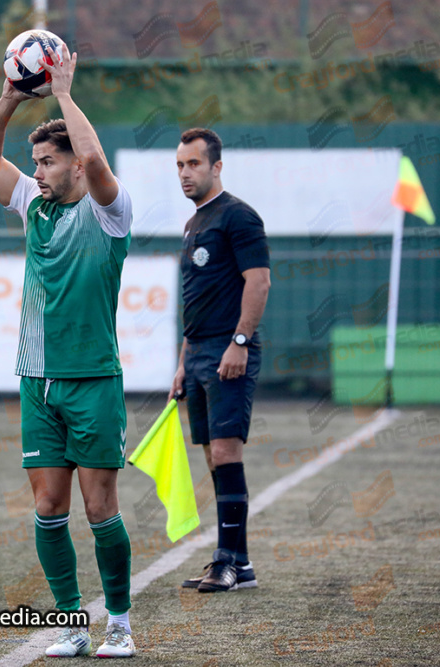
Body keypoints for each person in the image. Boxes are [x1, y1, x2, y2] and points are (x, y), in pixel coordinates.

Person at [0, 45, 135, 658]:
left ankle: (118, 622)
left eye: (46, 162)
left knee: (99, 508)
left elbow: (94, 158)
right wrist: (12, 95)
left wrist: (63, 91)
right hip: (36, 383)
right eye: (34, 161)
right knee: (47, 506)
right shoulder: (31, 206)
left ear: (73, 167)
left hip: (93, 381)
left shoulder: (108, 212)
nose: (36, 171)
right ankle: (72, 623)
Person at [168, 128, 271, 593]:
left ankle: (225, 561)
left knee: (227, 452)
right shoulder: (193, 223)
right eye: (180, 165)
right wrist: (183, 361)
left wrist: (241, 341)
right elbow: (198, 300)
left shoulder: (239, 217)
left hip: (231, 350)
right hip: (200, 353)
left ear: (216, 167)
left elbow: (259, 282)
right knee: (212, 455)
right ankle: (238, 562)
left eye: (194, 164)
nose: (186, 173)